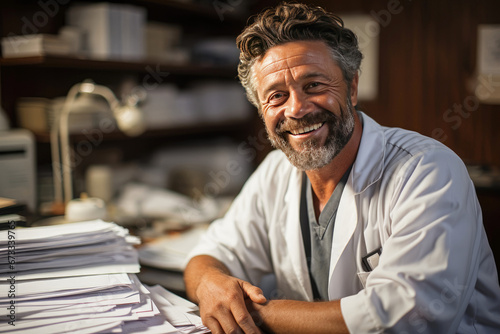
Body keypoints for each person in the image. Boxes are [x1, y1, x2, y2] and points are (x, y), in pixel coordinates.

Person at [183, 2, 500, 333]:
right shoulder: (276, 171)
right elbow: (210, 254)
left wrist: (249, 312)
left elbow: (411, 317)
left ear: (351, 87)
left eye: (314, 86)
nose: (297, 110)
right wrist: (210, 284)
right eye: (276, 96)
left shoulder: (427, 170)